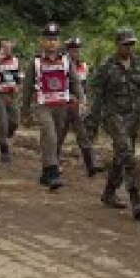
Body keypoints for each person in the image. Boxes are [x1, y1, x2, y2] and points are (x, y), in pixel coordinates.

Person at [93, 28, 140, 220]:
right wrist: (92, 121)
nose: (130, 48)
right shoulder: (107, 67)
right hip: (113, 115)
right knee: (127, 152)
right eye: (126, 44)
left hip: (132, 117)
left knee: (122, 155)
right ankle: (136, 197)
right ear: (117, 45)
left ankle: (109, 192)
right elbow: (97, 95)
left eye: (132, 44)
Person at [22, 22, 85, 190]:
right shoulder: (35, 62)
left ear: (59, 41)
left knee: (54, 139)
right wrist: (25, 110)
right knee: (49, 135)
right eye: (48, 39)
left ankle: (45, 171)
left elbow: (75, 81)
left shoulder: (66, 60)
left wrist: (81, 99)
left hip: (61, 105)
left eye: (55, 39)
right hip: (43, 105)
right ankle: (53, 172)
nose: (51, 42)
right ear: (42, 41)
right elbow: (27, 87)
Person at [58, 37, 102, 177]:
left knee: (83, 136)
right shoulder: (59, 65)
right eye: (72, 50)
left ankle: (91, 166)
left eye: (77, 50)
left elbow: (84, 86)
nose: (75, 53)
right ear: (67, 51)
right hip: (62, 106)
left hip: (77, 106)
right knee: (59, 137)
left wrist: (85, 102)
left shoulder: (83, 66)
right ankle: (52, 165)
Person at [0, 38, 23, 164]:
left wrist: (18, 87)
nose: (7, 50)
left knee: (15, 121)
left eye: (9, 47)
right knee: (3, 122)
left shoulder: (15, 60)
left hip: (12, 94)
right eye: (4, 47)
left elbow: (18, 77)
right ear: (0, 48)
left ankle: (2, 137)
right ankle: (4, 150)